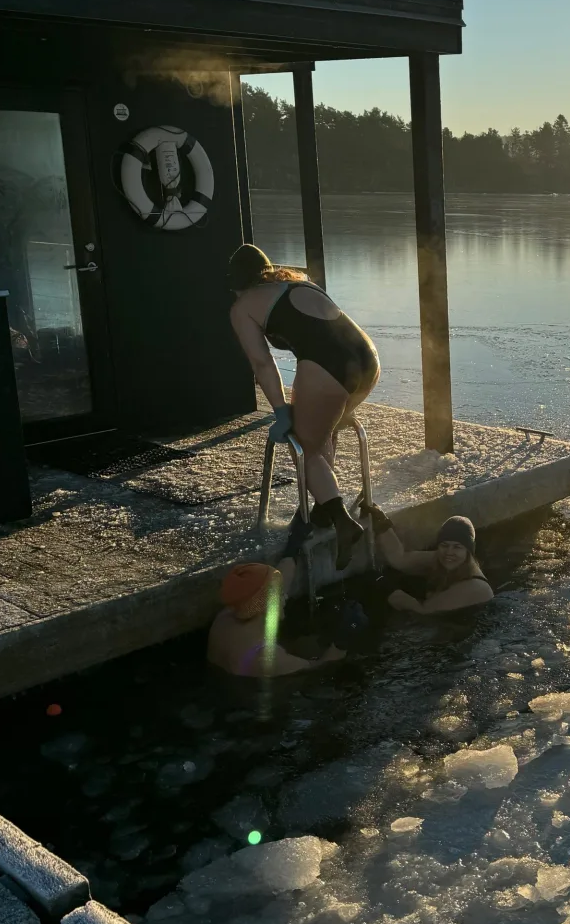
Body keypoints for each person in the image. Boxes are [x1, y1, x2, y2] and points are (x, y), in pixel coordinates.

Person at [228, 244, 379, 568]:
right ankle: (323, 509)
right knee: (323, 427)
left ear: (235, 283)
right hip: (367, 359)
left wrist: (282, 411)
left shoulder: (242, 306)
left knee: (304, 444)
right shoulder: (298, 284)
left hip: (329, 365)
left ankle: (341, 521)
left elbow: (262, 364)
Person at [206, 558, 364, 677]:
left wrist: (292, 549)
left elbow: (263, 590)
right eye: (280, 595)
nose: (286, 597)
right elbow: (320, 667)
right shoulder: (270, 659)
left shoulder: (224, 619)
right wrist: (342, 642)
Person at [368, 510, 494, 615]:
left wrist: (386, 588)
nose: (449, 552)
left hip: (463, 631)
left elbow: (423, 610)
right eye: (444, 545)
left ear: (469, 552)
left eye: (457, 547)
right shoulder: (440, 558)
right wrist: (382, 524)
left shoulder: (475, 587)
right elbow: (400, 559)